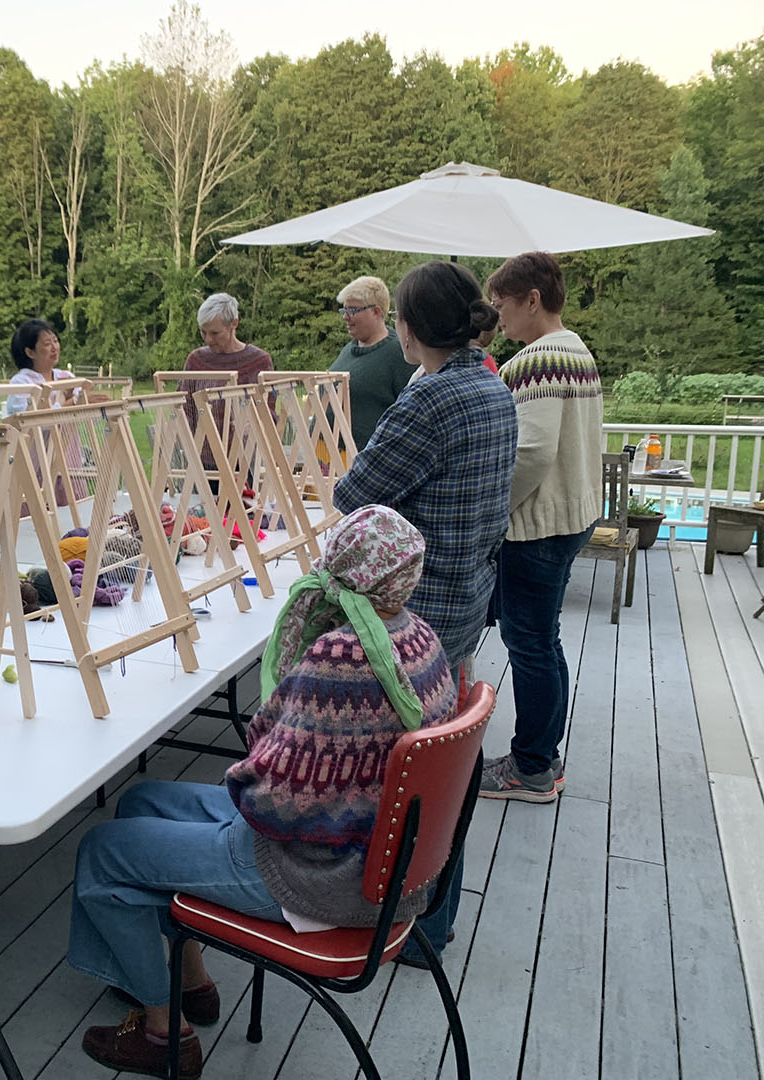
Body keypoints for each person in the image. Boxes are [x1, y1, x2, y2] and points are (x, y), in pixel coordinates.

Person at [67, 506, 456, 1080]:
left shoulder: (342, 656)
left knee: (103, 852)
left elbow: (268, 791)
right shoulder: (420, 637)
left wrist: (253, 766)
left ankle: (162, 1033)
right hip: (366, 853)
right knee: (140, 801)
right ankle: (191, 984)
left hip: (316, 874)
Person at [332, 260, 517, 965]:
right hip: (467, 596)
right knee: (443, 770)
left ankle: (405, 923)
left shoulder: (431, 399)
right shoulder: (491, 385)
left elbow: (356, 494)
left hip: (416, 614)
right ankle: (433, 921)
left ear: (409, 327)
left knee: (404, 777)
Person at [480, 251, 603, 802]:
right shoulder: (578, 350)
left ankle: (530, 768)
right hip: (572, 515)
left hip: (536, 525)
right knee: (544, 642)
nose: (496, 314)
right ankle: (544, 756)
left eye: (501, 303)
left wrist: (492, 512)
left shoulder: (536, 361)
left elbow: (530, 453)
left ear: (532, 300)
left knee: (529, 645)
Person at [180, 293, 273, 472]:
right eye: (203, 332)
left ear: (234, 324)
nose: (208, 339)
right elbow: (185, 410)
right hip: (204, 465)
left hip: (246, 465)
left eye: (215, 333)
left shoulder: (259, 361)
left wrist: (253, 425)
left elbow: (269, 414)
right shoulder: (196, 361)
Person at [328, 276, 414, 449]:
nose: (346, 317)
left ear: (376, 312)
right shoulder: (348, 350)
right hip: (326, 456)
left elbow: (411, 415)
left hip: (364, 458)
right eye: (344, 310)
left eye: (353, 310)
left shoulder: (398, 353)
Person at [4, 318, 108, 415]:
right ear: (30, 352)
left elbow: (87, 411)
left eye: (55, 341)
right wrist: (75, 402)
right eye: (47, 344)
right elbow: (30, 421)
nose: (54, 348)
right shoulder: (21, 383)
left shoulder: (65, 376)